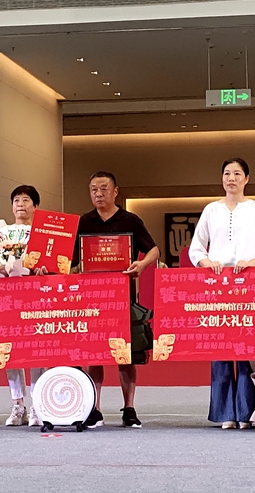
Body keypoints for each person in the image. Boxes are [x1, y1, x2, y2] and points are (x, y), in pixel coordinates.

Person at [188, 157, 255, 429]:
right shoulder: (211, 210)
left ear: (246, 179)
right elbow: (196, 249)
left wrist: (252, 263)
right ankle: (226, 413)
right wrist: (206, 263)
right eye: (227, 173)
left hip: (249, 287)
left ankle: (250, 413)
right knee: (221, 351)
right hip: (217, 288)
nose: (231, 178)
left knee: (250, 349)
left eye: (237, 173)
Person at [73, 171, 160, 429]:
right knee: (95, 354)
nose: (98, 194)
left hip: (123, 297)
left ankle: (129, 408)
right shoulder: (83, 222)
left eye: (103, 189)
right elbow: (71, 261)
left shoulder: (130, 220)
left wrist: (141, 264)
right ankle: (95, 408)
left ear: (115, 191)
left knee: (126, 354)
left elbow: (153, 250)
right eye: (93, 189)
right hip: (91, 298)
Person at [3, 185, 46, 427]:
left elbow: (54, 265)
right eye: (16, 199)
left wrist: (43, 269)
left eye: (26, 200)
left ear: (35, 206)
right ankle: (17, 404)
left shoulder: (43, 236)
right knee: (10, 352)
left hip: (36, 296)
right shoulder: (2, 235)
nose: (20, 204)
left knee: (37, 350)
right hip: (9, 297)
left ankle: (37, 406)